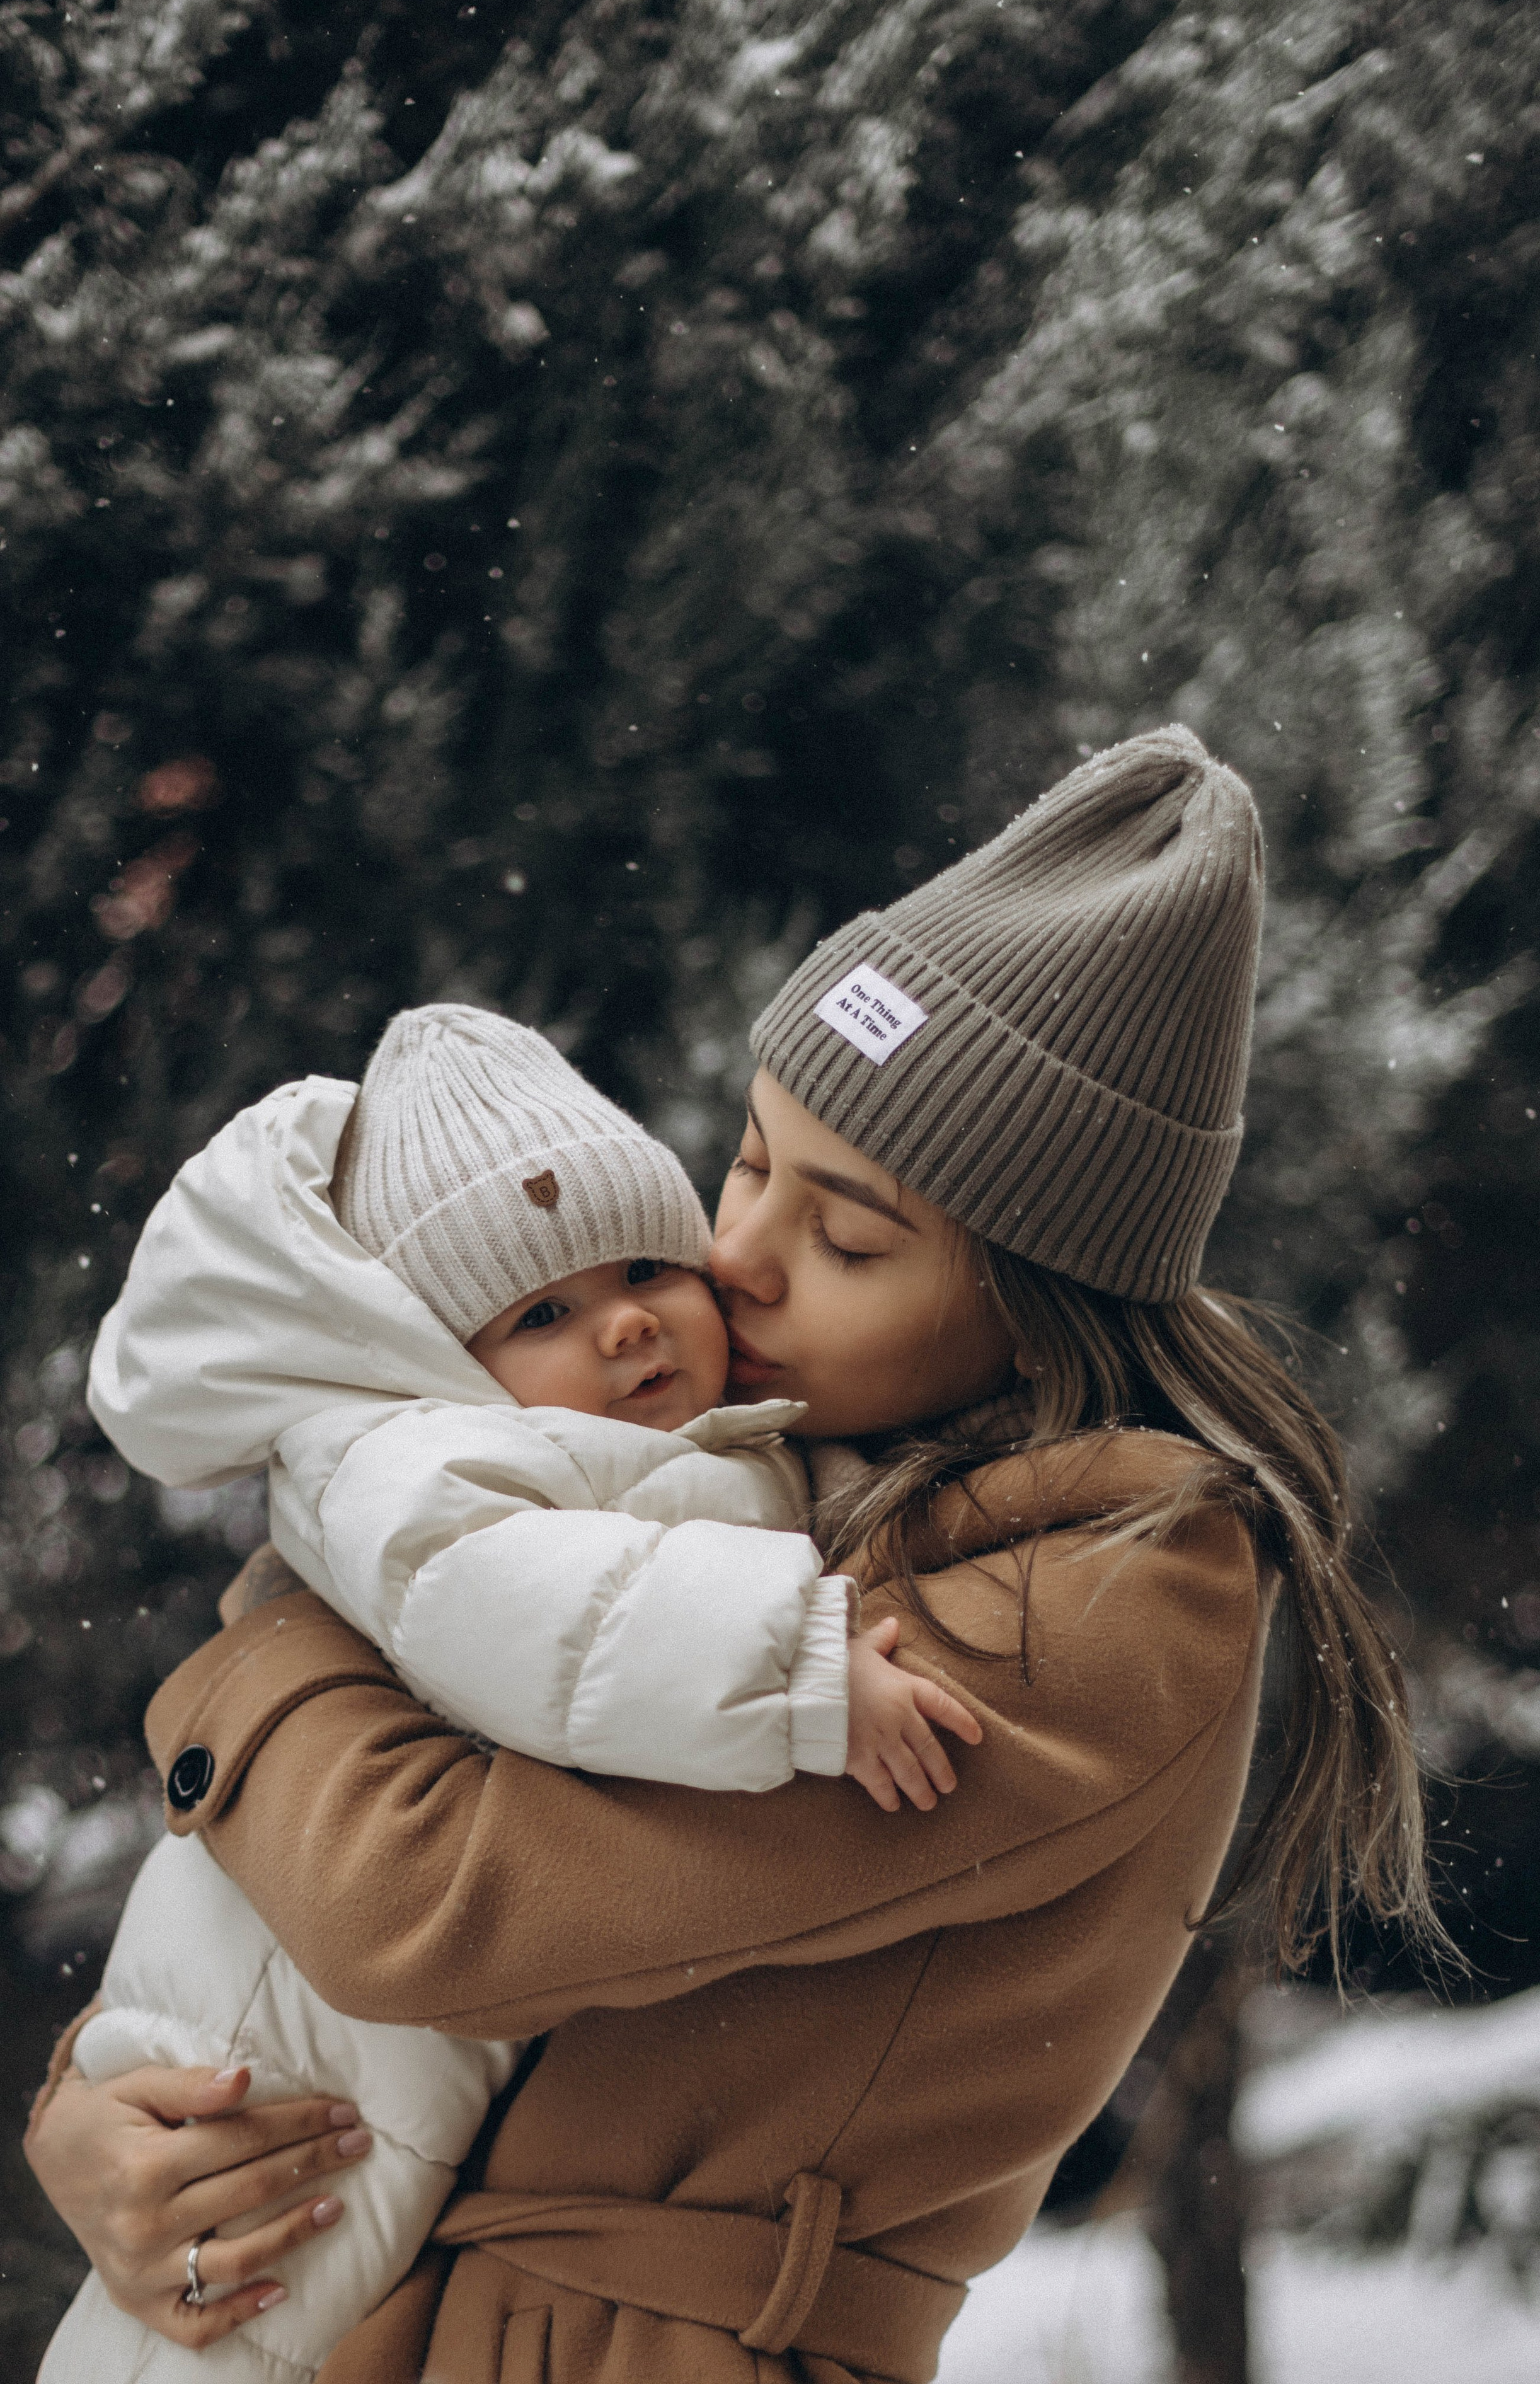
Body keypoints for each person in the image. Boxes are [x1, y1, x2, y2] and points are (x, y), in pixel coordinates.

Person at [26, 727, 1440, 2384]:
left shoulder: (1105, 1610)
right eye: (750, 1159)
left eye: (848, 1234)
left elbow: (424, 1899)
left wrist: (264, 1634)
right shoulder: (746, 1491)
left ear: (1036, 1307)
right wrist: (116, 2116)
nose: (735, 1254)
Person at [40, 1005, 975, 2384]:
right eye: (542, 1311)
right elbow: (512, 1605)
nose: (624, 1327)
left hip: (415, 2086)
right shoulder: (432, 1460)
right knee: (231, 2304)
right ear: (450, 1358)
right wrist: (792, 1661)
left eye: (650, 1266)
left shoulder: (714, 1452)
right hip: (275, 2049)